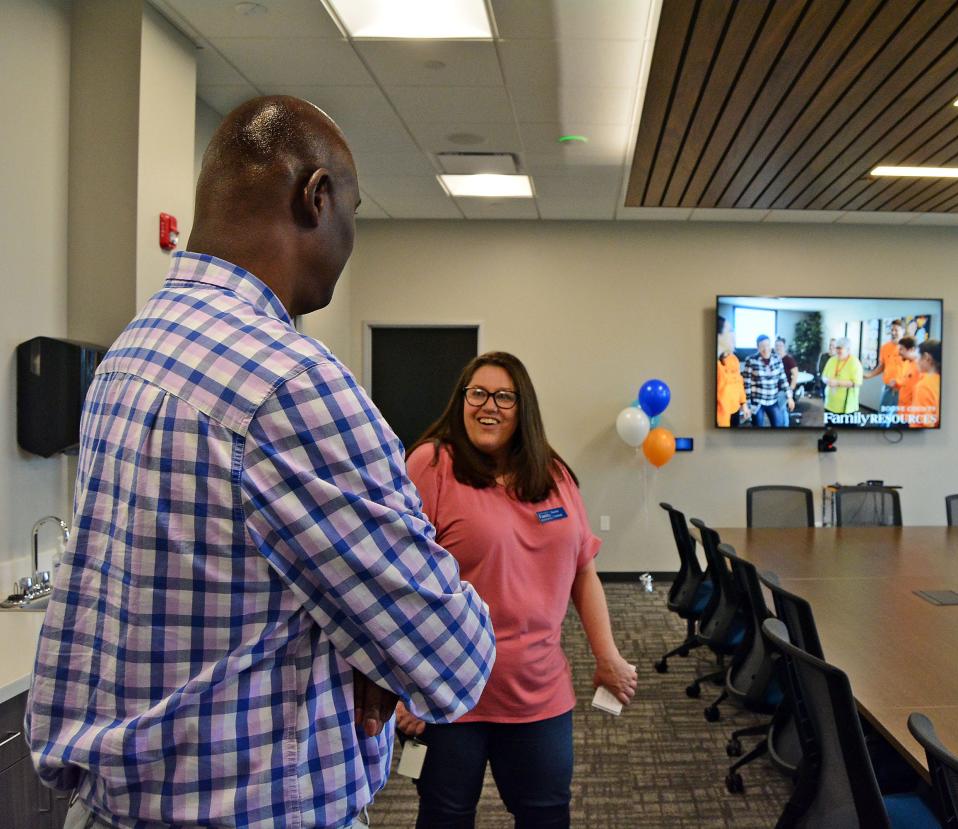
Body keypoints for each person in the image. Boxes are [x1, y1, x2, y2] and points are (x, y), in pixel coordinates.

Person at [25, 97, 495, 829]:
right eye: (355, 213)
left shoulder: (129, 354)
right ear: (317, 198)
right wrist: (377, 642)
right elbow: (451, 652)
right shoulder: (289, 384)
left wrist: (365, 638)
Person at [402, 352, 638, 829]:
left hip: (539, 691)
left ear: (523, 407)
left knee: (546, 816)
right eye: (477, 393)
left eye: (504, 396)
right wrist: (404, 684)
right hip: (450, 695)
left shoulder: (554, 475)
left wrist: (607, 655)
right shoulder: (432, 464)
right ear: (461, 401)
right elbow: (402, 582)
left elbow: (583, 572)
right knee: (445, 816)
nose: (489, 405)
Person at [743, 334, 795, 427]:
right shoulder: (751, 360)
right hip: (757, 402)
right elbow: (746, 385)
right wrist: (746, 405)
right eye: (762, 346)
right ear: (757, 347)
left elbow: (783, 380)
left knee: (779, 425)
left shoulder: (777, 359)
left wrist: (790, 398)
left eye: (767, 345)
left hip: (773, 400)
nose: (765, 349)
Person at [863, 320, 905, 421]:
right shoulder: (885, 347)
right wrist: (869, 375)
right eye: (892, 330)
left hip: (903, 390)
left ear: (903, 331)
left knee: (900, 421)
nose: (893, 332)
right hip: (888, 390)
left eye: (896, 330)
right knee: (882, 419)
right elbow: (882, 366)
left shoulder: (908, 348)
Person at [716, 316, 748, 427]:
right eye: (729, 331)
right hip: (722, 418)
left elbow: (739, 383)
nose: (733, 335)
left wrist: (743, 404)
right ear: (718, 336)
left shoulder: (734, 359)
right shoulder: (717, 367)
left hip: (735, 409)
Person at [822, 337, 863, 417]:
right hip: (830, 404)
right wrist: (827, 381)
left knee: (844, 429)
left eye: (840, 348)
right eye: (837, 348)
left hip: (847, 408)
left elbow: (857, 383)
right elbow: (824, 376)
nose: (837, 351)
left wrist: (837, 383)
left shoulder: (855, 362)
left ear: (848, 350)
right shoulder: (832, 360)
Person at [910, 339, 942, 428]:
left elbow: (921, 425)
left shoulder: (924, 386)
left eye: (917, 357)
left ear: (927, 358)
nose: (916, 361)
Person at [894, 336, 922, 425]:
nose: (899, 353)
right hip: (901, 413)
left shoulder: (920, 368)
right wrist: (896, 383)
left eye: (901, 349)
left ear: (912, 349)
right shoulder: (907, 363)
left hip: (911, 417)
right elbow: (906, 383)